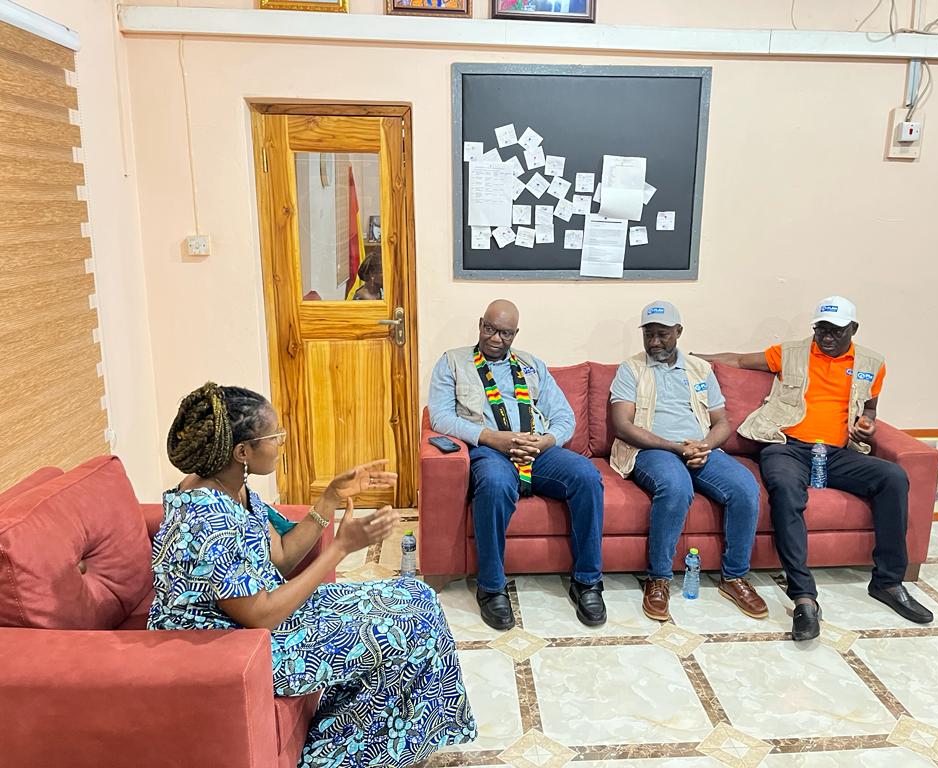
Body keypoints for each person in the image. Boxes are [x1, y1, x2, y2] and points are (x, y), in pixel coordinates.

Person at [149, 383, 476, 768]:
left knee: (417, 598)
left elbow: (280, 558)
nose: (281, 442)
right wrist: (339, 547)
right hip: (228, 646)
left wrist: (329, 499)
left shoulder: (233, 487)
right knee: (398, 631)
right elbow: (262, 615)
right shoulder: (207, 516)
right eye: (274, 436)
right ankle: (339, 757)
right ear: (243, 452)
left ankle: (359, 744)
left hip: (261, 616)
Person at [699, 296, 933, 641]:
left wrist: (866, 423)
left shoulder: (872, 363)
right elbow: (736, 360)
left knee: (893, 477)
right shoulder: (791, 352)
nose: (827, 337)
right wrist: (690, 357)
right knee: (785, 489)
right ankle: (804, 597)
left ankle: (888, 582)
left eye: (836, 331)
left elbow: (869, 408)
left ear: (852, 329)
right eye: (821, 329)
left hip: (836, 453)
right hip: (786, 446)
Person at [428, 299, 606, 630]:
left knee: (587, 476)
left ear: (516, 334)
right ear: (480, 323)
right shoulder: (452, 362)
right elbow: (439, 416)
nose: (496, 338)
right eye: (489, 329)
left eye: (505, 333)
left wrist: (547, 440)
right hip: (491, 450)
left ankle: (587, 581)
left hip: (537, 448)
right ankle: (492, 587)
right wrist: (492, 438)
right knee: (494, 486)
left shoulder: (532, 365)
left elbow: (564, 415)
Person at [609, 301, 766, 622]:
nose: (655, 342)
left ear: (678, 332)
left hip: (700, 448)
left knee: (745, 487)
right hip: (652, 450)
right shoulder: (631, 369)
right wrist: (676, 448)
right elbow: (623, 426)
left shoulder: (700, 370)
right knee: (676, 487)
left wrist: (704, 445)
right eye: (649, 335)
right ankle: (659, 579)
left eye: (663, 334)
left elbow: (722, 421)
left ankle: (734, 576)